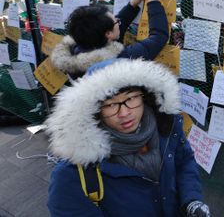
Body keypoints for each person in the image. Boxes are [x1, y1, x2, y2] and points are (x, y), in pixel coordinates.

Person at [46, 58, 210, 217]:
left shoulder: (166, 128)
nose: (124, 113)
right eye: (110, 105)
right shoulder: (71, 174)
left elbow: (184, 161)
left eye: (131, 98)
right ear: (94, 110)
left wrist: (191, 200)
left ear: (145, 95)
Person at [50, 0, 169, 80]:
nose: (118, 21)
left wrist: (132, 6)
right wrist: (153, 2)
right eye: (116, 21)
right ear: (107, 34)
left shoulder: (76, 50)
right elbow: (158, 37)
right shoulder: (118, 59)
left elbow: (107, 27)